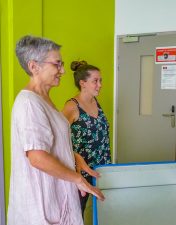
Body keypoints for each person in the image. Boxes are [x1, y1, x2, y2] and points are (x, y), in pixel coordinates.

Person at [7, 35, 105, 225]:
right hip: (42, 207)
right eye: (56, 64)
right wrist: (78, 179)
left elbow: (52, 144)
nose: (62, 70)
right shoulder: (29, 103)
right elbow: (37, 157)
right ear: (34, 66)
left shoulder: (44, 100)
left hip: (57, 198)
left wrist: (75, 157)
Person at [62, 60, 112, 218]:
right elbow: (58, 137)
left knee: (102, 210)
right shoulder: (72, 106)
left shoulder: (95, 102)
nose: (100, 85)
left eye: (100, 81)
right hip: (82, 172)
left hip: (101, 168)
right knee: (77, 213)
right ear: (83, 83)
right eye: (95, 81)